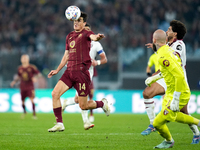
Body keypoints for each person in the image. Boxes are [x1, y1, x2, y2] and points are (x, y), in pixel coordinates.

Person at [47, 12, 110, 132]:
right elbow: (66, 56)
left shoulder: (86, 33)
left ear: (84, 23)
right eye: (74, 20)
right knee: (55, 94)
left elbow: (93, 37)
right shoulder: (69, 36)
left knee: (83, 105)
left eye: (79, 20)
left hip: (81, 73)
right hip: (69, 71)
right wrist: (57, 70)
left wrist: (97, 37)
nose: (76, 22)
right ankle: (59, 123)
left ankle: (102, 104)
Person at [141, 20, 200, 144]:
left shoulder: (179, 45)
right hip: (167, 78)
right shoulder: (167, 45)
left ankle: (196, 132)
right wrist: (156, 48)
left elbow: (172, 61)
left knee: (183, 112)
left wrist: (156, 74)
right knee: (147, 93)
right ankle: (152, 123)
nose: (167, 31)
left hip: (178, 80)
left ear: (175, 34)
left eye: (169, 30)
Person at [62, 23, 108, 130]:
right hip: (77, 71)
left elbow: (105, 59)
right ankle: (86, 121)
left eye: (87, 30)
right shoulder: (77, 42)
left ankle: (67, 102)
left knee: (79, 99)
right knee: (82, 97)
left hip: (89, 72)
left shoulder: (96, 44)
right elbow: (69, 55)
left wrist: (97, 63)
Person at [10, 54, 41, 119]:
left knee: (32, 100)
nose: (24, 59)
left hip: (30, 86)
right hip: (22, 86)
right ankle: (24, 112)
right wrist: (14, 82)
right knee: (22, 101)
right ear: (21, 60)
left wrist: (35, 78)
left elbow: (38, 74)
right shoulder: (20, 68)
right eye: (23, 58)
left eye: (25, 58)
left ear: (28, 59)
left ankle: (34, 115)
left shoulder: (32, 67)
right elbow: (18, 76)